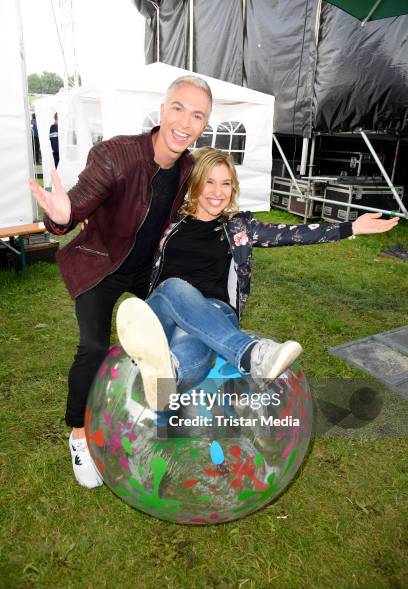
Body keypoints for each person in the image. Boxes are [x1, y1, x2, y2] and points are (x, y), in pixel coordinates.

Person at [29, 75, 213, 488]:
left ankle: (158, 418)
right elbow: (75, 205)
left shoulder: (189, 166)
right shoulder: (116, 154)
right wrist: (61, 216)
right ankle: (79, 434)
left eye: (197, 115)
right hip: (100, 265)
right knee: (93, 346)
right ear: (163, 111)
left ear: (204, 124)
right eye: (179, 108)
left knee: (177, 336)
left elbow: (211, 200)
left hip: (146, 269)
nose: (185, 121)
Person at [116, 147, 400, 410]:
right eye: (209, 182)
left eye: (226, 183)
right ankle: (251, 354)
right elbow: (128, 225)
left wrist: (350, 227)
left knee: (190, 342)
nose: (218, 192)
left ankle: (169, 375)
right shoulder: (170, 221)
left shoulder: (238, 226)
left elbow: (294, 234)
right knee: (176, 287)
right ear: (195, 183)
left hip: (214, 312)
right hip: (161, 311)